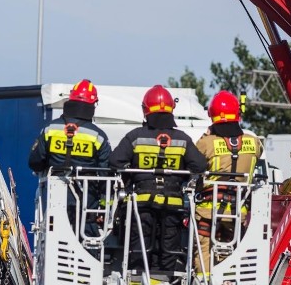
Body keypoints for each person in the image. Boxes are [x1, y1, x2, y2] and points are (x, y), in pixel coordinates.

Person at [110, 85, 207, 273]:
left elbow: (115, 161)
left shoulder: (135, 136)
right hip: (173, 204)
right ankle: (164, 279)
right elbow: (200, 166)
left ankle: (138, 280)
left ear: (145, 110)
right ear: (172, 109)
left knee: (140, 243)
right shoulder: (182, 139)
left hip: (141, 203)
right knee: (168, 246)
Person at [28, 79, 112, 236]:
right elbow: (105, 173)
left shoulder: (50, 129)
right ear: (93, 105)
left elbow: (35, 162)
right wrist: (103, 205)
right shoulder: (98, 136)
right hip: (87, 203)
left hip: (55, 199)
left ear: (70, 100)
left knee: (52, 239)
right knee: (87, 244)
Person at [193, 90, 263, 274]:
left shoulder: (207, 142)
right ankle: (229, 284)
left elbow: (192, 160)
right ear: (237, 115)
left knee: (203, 249)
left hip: (208, 210)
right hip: (238, 210)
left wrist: (206, 135)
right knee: (232, 252)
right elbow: (259, 151)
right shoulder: (253, 142)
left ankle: (204, 284)